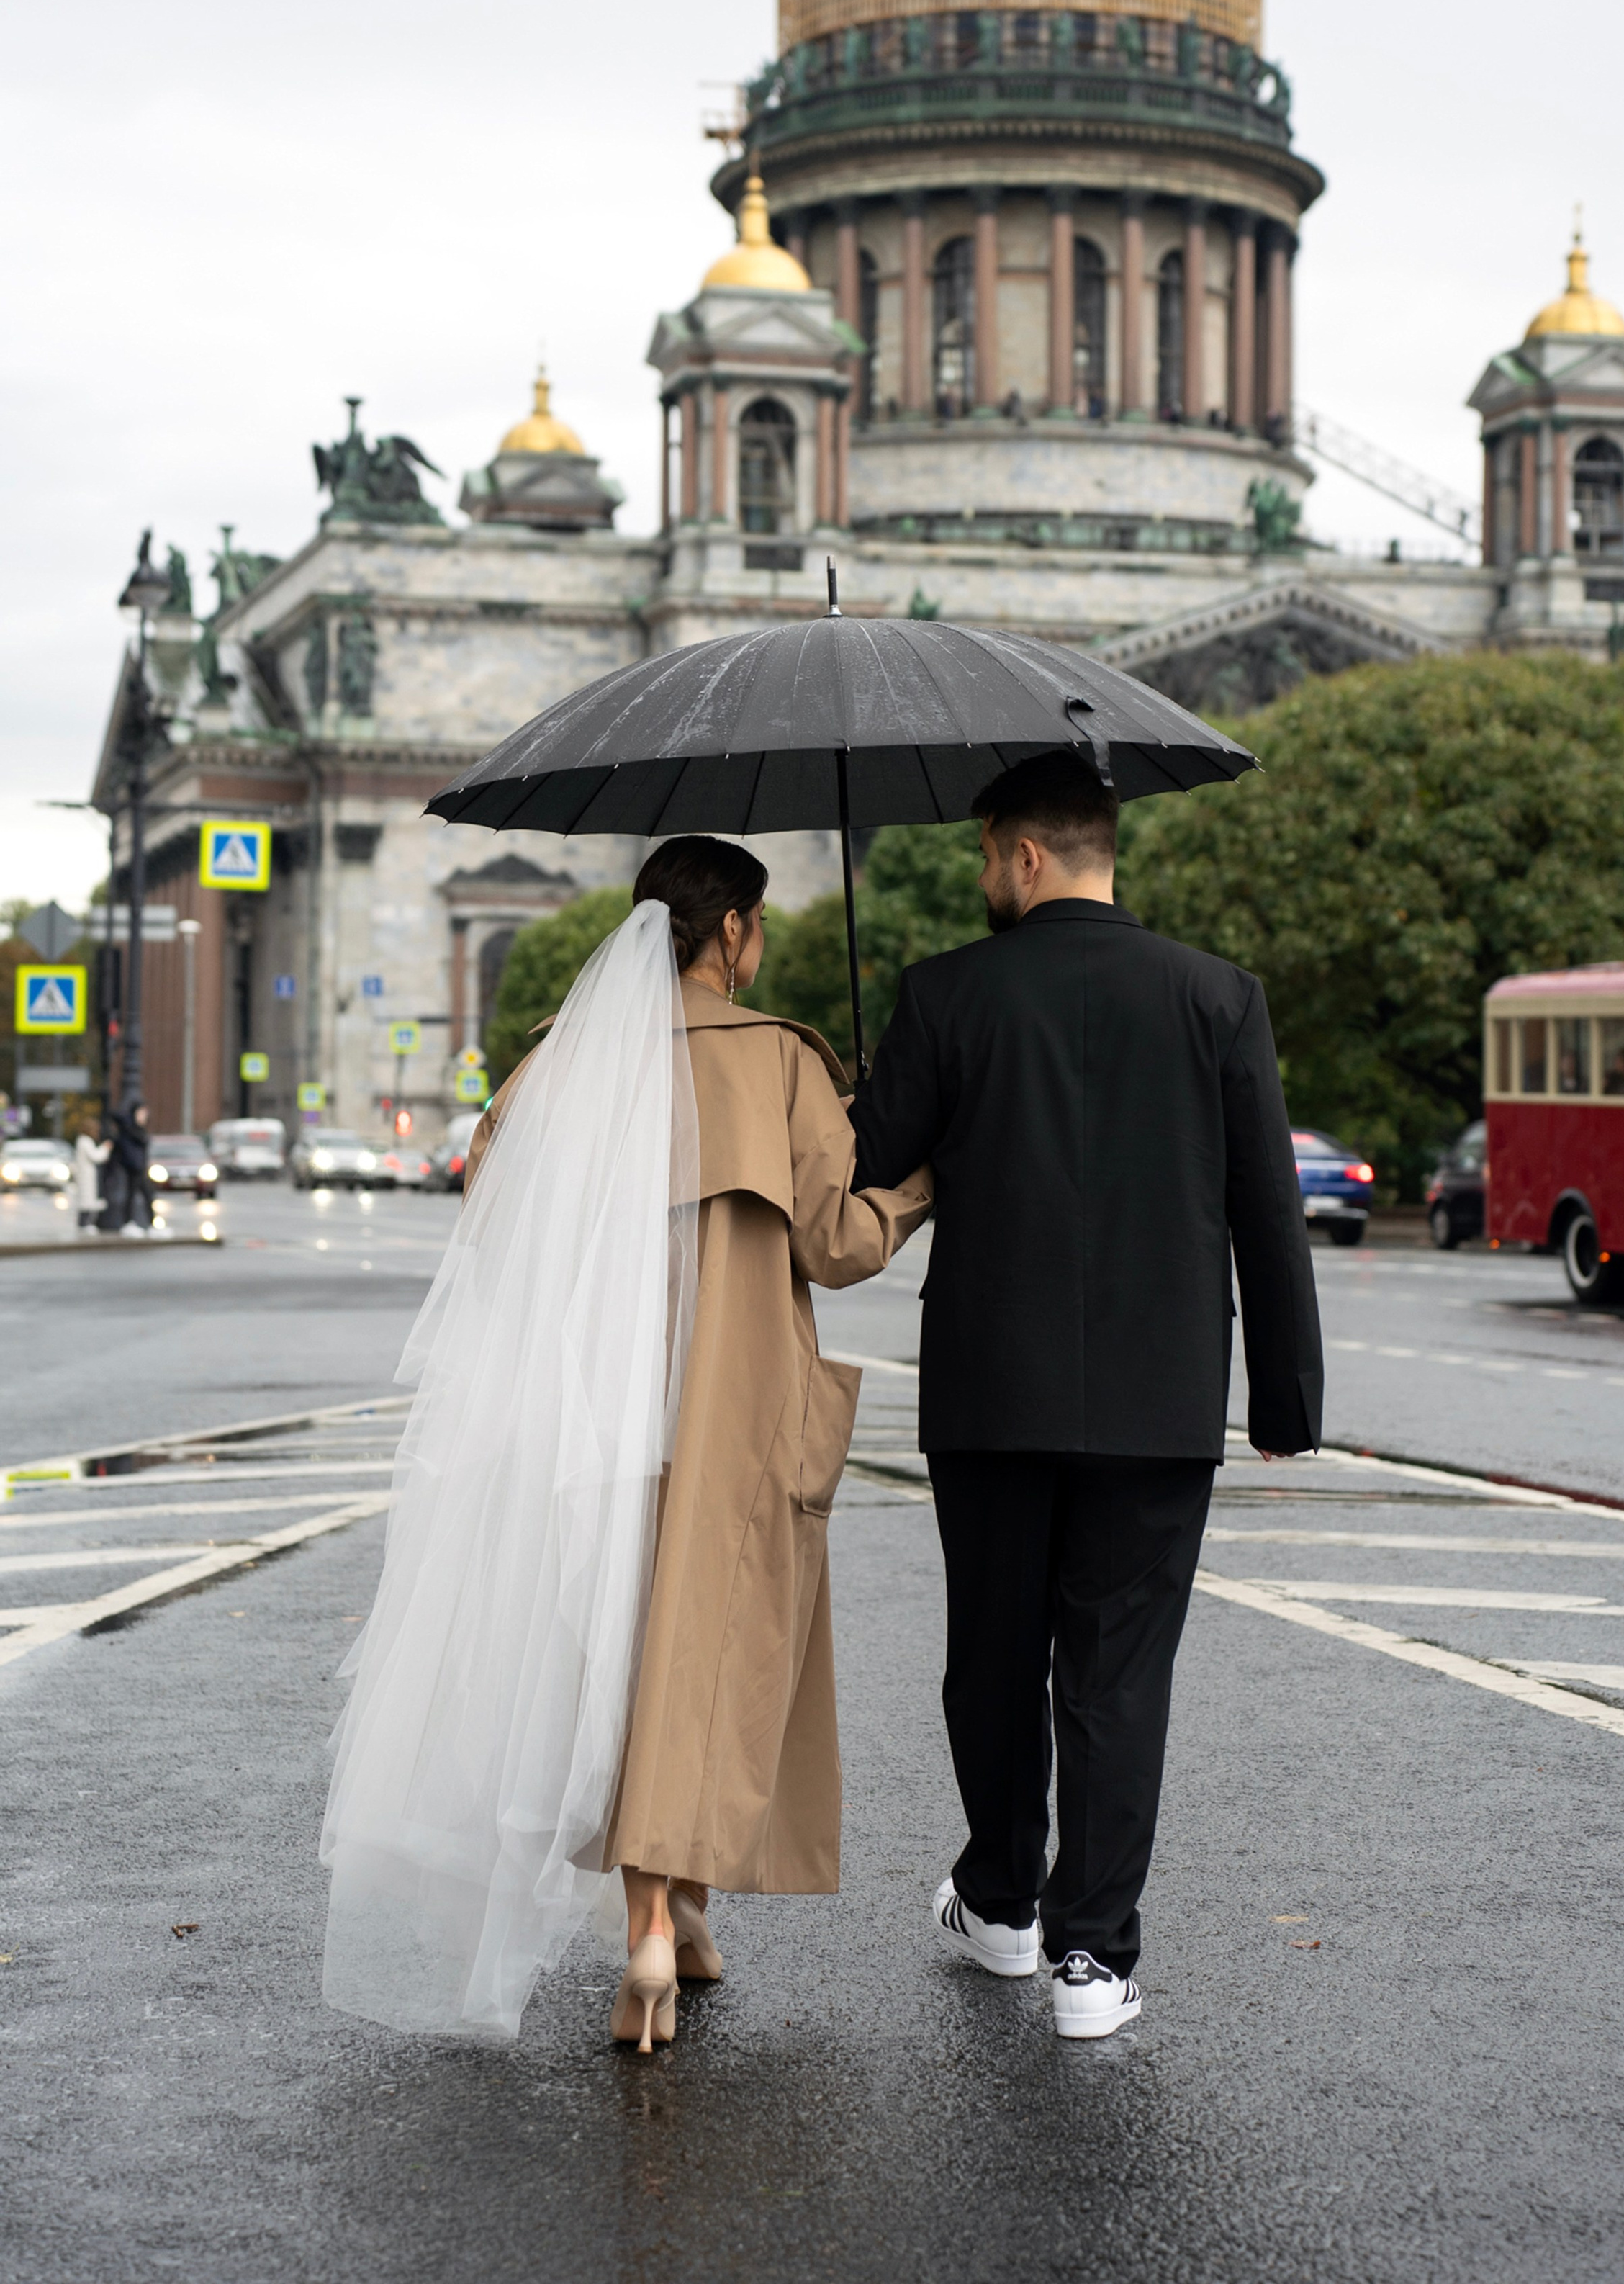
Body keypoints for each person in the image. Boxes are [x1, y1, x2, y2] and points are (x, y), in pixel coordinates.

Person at [320, 836, 931, 2051]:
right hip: (737, 1412)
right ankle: (656, 1923)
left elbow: (488, 1208)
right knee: (705, 1657)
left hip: (584, 1411)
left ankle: (677, 1921)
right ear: (737, 933)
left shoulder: (562, 1062)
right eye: (755, 932)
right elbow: (839, 1247)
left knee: (613, 1651)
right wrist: (912, 1181)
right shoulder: (780, 1060)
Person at [851, 749, 1323, 2043]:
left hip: (990, 1393)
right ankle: (1094, 1962)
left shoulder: (945, 994)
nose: (984, 874)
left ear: (1026, 854)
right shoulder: (1218, 998)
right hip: (1161, 1395)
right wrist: (1282, 1399)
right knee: (1118, 1672)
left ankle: (1000, 1903)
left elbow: (866, 1160)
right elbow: (1266, 1212)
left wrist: (871, 1066)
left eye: (986, 853)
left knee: (991, 1659)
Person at [96, 1102, 153, 1234]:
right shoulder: (128, 1128)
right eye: (141, 1113)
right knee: (134, 1195)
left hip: (139, 1168)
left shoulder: (140, 1130)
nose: (144, 1116)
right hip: (133, 1167)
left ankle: (146, 1224)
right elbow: (115, 1115)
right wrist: (130, 1116)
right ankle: (130, 1223)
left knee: (144, 1195)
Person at [72, 1126, 104, 1229]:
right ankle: (86, 1224)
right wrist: (105, 1148)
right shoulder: (86, 1141)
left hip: (84, 1174)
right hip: (87, 1175)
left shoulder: (81, 1141)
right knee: (87, 1201)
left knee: (85, 1200)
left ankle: (83, 1223)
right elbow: (96, 1156)